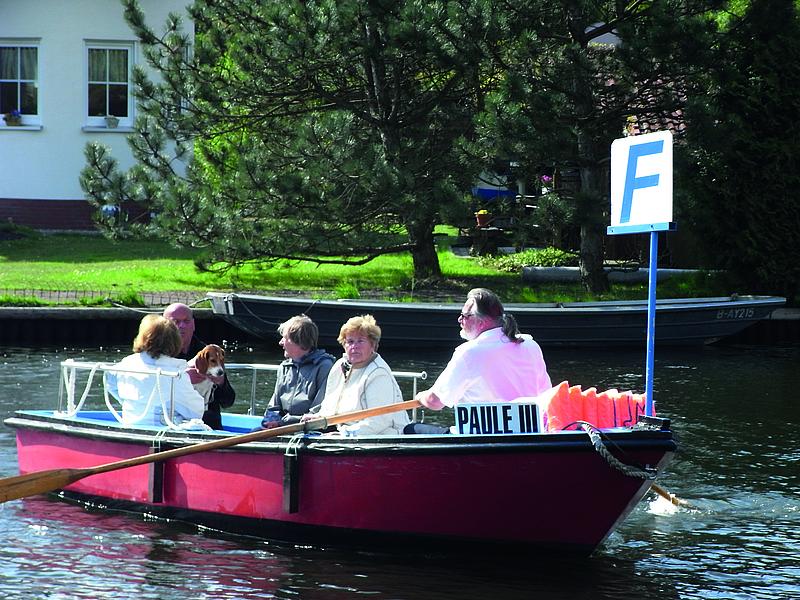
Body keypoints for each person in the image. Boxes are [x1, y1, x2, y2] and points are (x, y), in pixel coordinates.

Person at [407, 288, 551, 433]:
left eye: (465, 316)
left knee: (411, 429)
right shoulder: (530, 345)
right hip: (529, 433)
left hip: (480, 437)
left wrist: (421, 397)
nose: (459, 319)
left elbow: (435, 402)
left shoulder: (469, 353)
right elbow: (546, 393)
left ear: (482, 322)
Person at [302, 314, 409, 436]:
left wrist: (345, 434)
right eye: (350, 341)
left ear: (373, 345)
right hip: (345, 434)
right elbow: (330, 409)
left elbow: (379, 422)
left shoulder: (379, 373)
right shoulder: (339, 366)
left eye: (361, 341)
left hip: (383, 438)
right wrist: (317, 418)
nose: (354, 346)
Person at [107, 314, 205, 427]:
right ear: (175, 341)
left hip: (129, 424)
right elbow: (196, 411)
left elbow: (110, 382)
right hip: (163, 431)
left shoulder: (125, 364)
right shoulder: (174, 373)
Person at [163, 302, 236, 429]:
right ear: (163, 326)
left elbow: (228, 402)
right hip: (171, 424)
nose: (181, 326)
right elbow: (152, 393)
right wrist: (184, 379)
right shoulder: (158, 355)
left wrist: (221, 382)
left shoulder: (209, 354)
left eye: (186, 321)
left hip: (209, 425)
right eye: (175, 321)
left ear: (193, 324)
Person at [256, 315, 335, 429]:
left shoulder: (324, 367)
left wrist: (284, 423)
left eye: (285, 338)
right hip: (282, 427)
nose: (280, 342)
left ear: (299, 341)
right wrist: (271, 421)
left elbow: (317, 411)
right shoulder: (285, 367)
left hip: (309, 430)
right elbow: (274, 406)